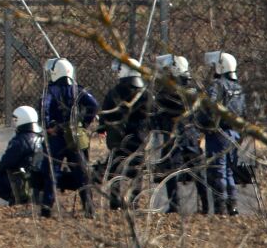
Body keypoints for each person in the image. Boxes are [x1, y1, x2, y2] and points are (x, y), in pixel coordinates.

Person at [40, 58, 99, 217]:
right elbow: (93, 104)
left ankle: (46, 207)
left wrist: (47, 125)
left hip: (56, 138)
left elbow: (43, 107)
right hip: (76, 137)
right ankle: (89, 209)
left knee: (52, 172)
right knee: (82, 173)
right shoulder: (77, 90)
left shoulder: (50, 91)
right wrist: (83, 123)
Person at [153, 55, 208, 214]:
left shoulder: (167, 94)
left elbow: (159, 113)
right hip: (191, 134)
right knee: (197, 169)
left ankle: (174, 204)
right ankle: (205, 203)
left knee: (170, 170)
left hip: (173, 135)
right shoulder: (193, 90)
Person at [98, 59, 151, 210]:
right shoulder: (145, 93)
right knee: (137, 170)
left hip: (118, 138)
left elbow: (105, 113)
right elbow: (152, 115)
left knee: (115, 169)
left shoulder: (115, 92)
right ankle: (135, 201)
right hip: (140, 138)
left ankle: (114, 201)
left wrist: (102, 127)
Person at [200, 52, 245, 215]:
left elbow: (209, 107)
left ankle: (220, 207)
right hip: (234, 133)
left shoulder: (217, 85)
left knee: (218, 170)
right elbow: (243, 112)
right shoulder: (238, 87)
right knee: (228, 171)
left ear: (221, 66)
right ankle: (232, 206)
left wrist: (203, 124)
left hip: (218, 133)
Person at [0, 105, 45, 208]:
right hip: (41, 181)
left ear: (20, 120)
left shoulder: (20, 140)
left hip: (24, 181)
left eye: (15, 119)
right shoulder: (42, 137)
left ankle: (16, 199)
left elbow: (7, 162)